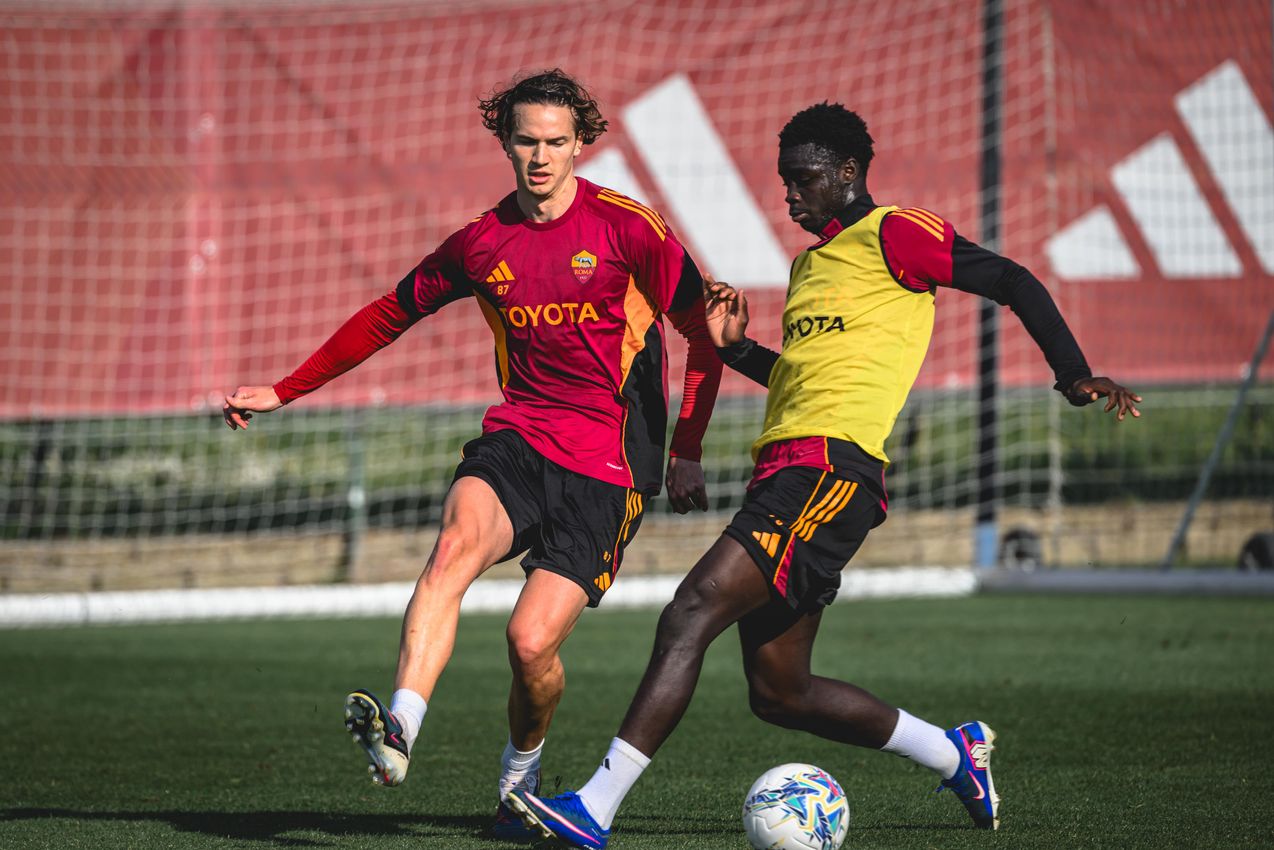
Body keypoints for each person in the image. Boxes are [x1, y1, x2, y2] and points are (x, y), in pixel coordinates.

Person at [506, 101, 1141, 846]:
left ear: (847, 172)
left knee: (688, 612)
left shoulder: (897, 232)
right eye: (784, 182)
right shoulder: (810, 266)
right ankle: (954, 752)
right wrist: (738, 351)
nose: (791, 196)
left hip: (829, 472)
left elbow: (1014, 280)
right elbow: (801, 381)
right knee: (781, 692)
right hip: (791, 472)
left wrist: (1073, 376)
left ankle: (593, 808)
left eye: (804, 179)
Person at [221, 69, 723, 838]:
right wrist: (286, 390)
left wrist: (686, 450)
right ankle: (400, 730)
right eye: (526, 141)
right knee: (451, 549)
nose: (542, 157)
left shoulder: (631, 229)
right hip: (518, 438)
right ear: (505, 142)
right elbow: (389, 313)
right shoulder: (483, 243)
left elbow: (706, 336)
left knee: (530, 646)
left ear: (582, 143)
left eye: (557, 142)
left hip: (606, 468)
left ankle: (519, 780)